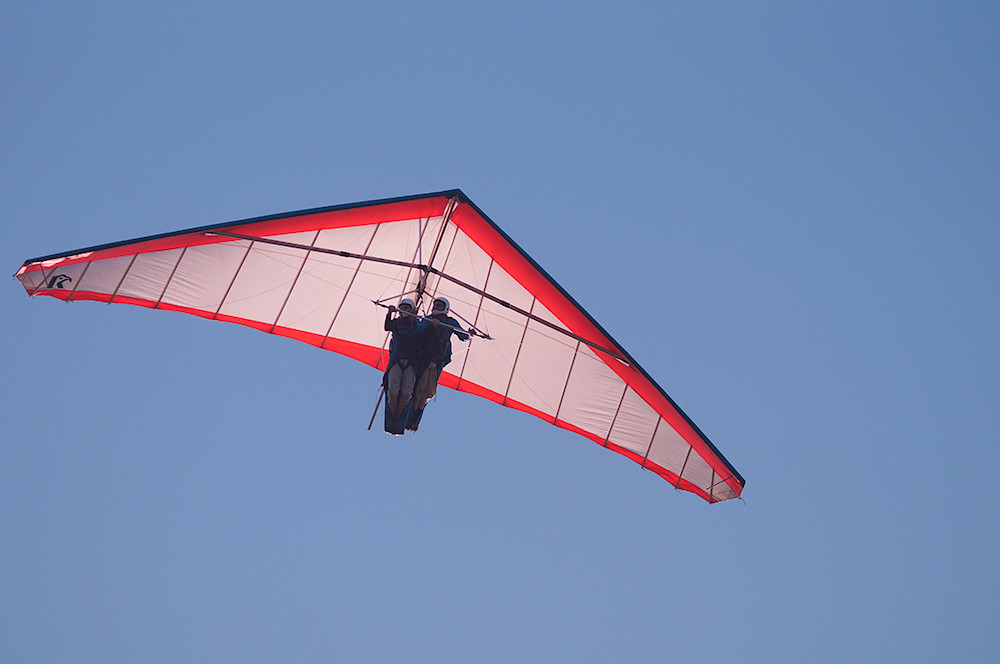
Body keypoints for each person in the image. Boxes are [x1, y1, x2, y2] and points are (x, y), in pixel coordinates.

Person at [408, 296, 469, 430]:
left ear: (446, 309)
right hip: (424, 359)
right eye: (435, 305)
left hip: (439, 361)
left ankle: (415, 420)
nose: (436, 307)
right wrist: (423, 322)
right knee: (418, 388)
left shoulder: (450, 322)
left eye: (439, 306)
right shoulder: (428, 319)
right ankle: (409, 419)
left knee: (428, 392)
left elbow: (463, 336)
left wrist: (469, 334)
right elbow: (417, 330)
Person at [382, 298, 427, 434]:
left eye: (407, 308)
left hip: (411, 363)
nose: (404, 311)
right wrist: (390, 313)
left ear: (412, 310)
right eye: (402, 308)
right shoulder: (397, 323)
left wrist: (413, 317)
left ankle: (399, 425)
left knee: (406, 394)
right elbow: (387, 326)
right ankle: (390, 423)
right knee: (393, 392)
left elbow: (420, 331)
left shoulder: (416, 325)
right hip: (396, 361)